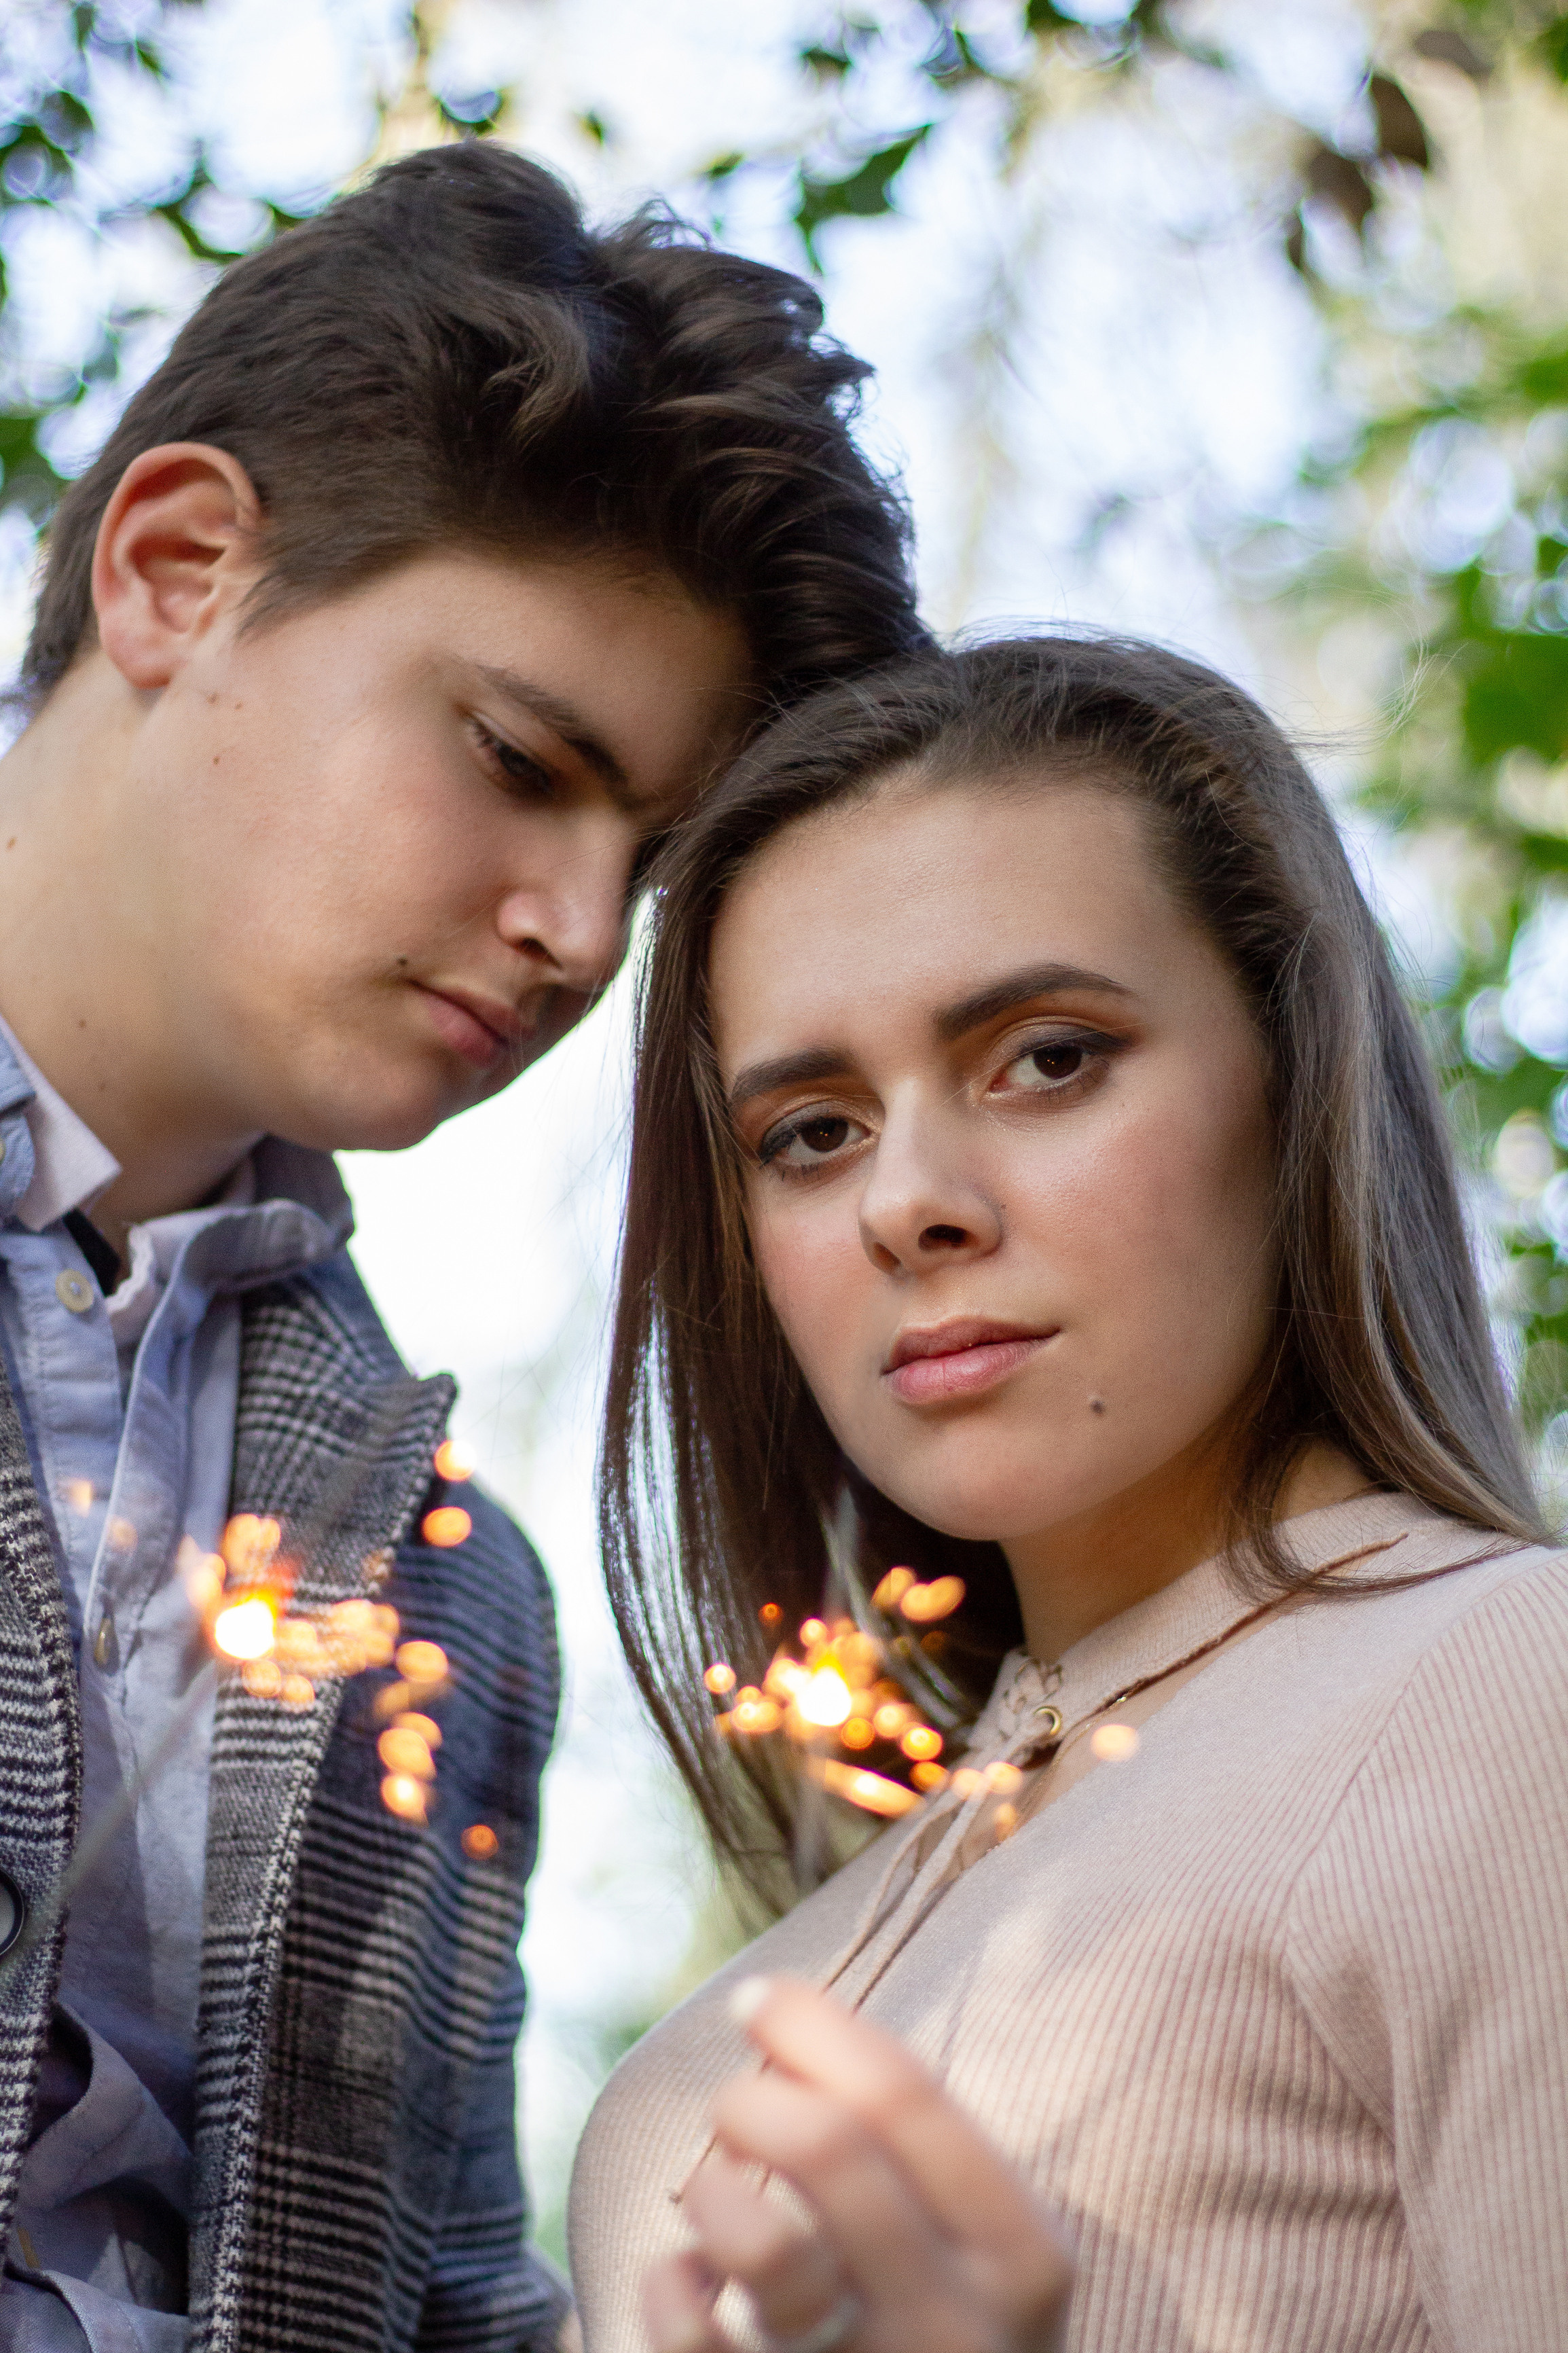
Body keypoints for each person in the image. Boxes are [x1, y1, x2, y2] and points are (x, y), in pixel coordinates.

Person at [0, 141, 926, 2353]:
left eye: (650, 860)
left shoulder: (455, 1597)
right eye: (518, 757)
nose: (584, 933)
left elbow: (433, 2305)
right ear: (179, 568)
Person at [580, 636, 1568, 2353]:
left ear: (1295, 1082)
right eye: (811, 1130)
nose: (909, 1200)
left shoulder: (1513, 1689)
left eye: (1047, 1057)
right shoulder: (712, 2047)